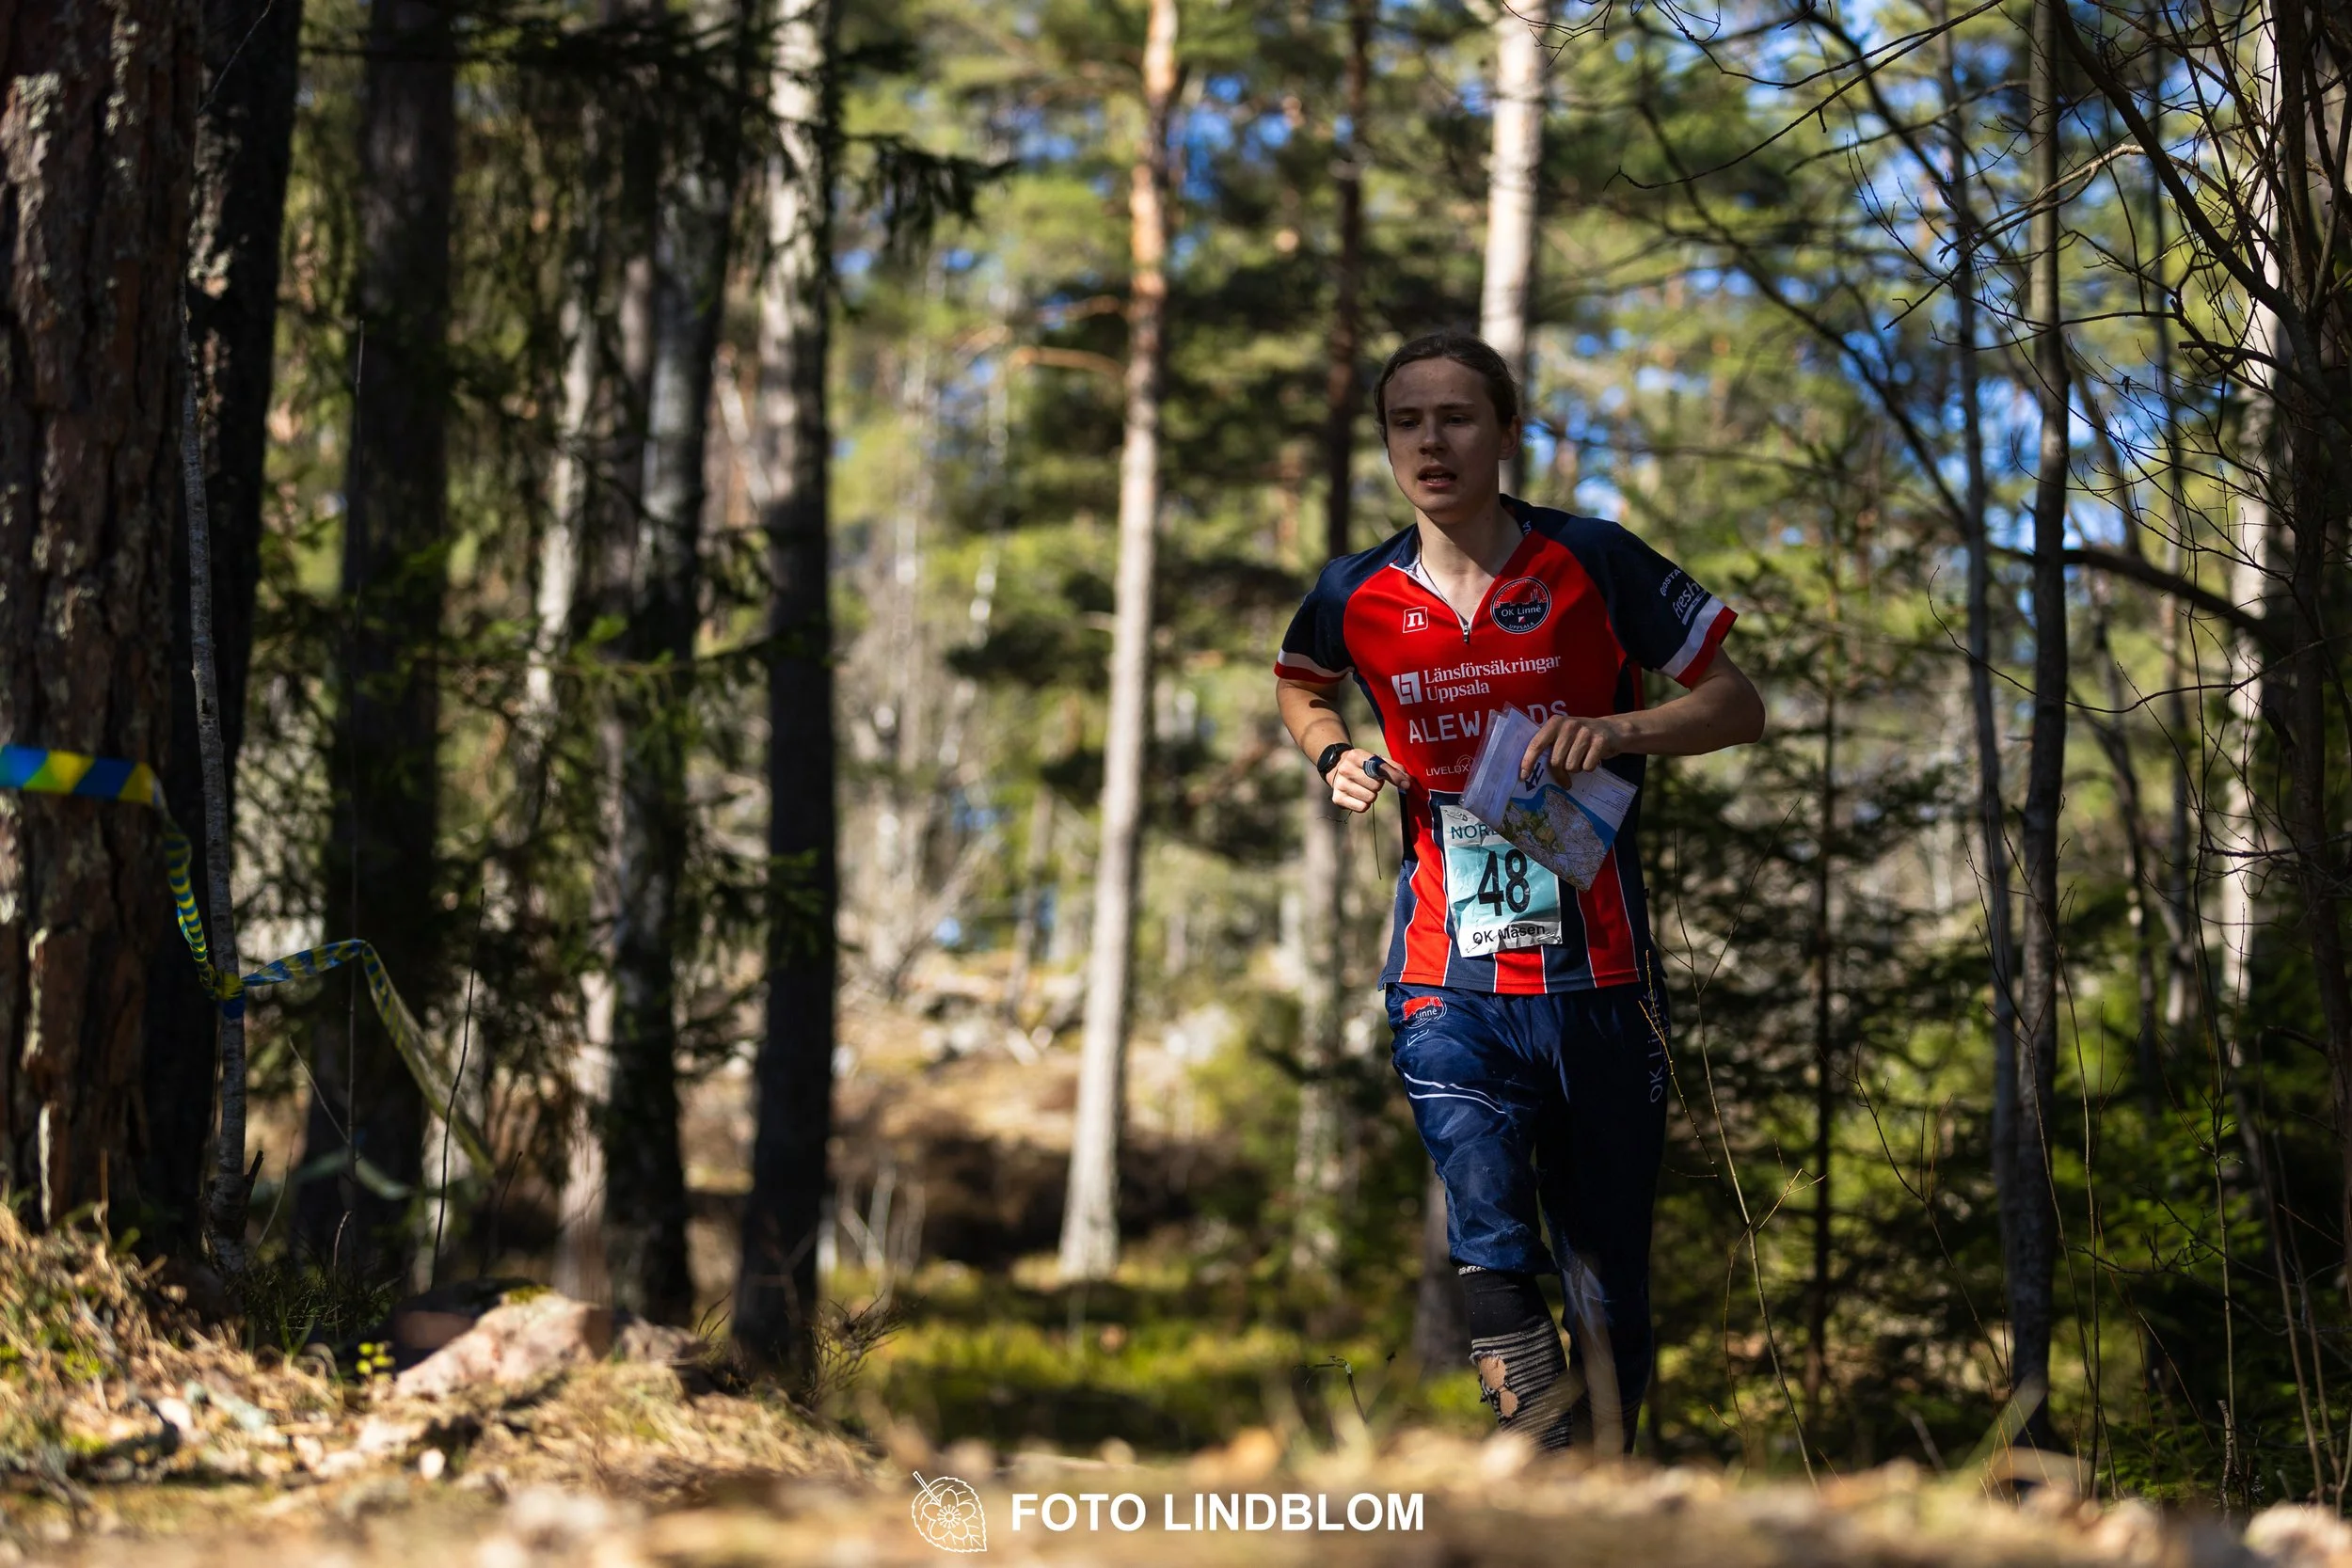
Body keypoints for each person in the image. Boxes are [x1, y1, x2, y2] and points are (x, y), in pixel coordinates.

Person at [1273, 332, 1764, 1450]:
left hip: (1600, 972)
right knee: (1489, 1239)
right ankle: (1535, 1467)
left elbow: (1738, 704)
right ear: (1388, 442)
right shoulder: (1355, 589)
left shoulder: (1591, 558)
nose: (1431, 441)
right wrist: (1332, 753)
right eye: (1408, 421)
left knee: (1604, 1270)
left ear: (1505, 431)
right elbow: (1300, 681)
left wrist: (1616, 728)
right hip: (1447, 971)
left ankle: (1590, 1477)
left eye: (1456, 416)